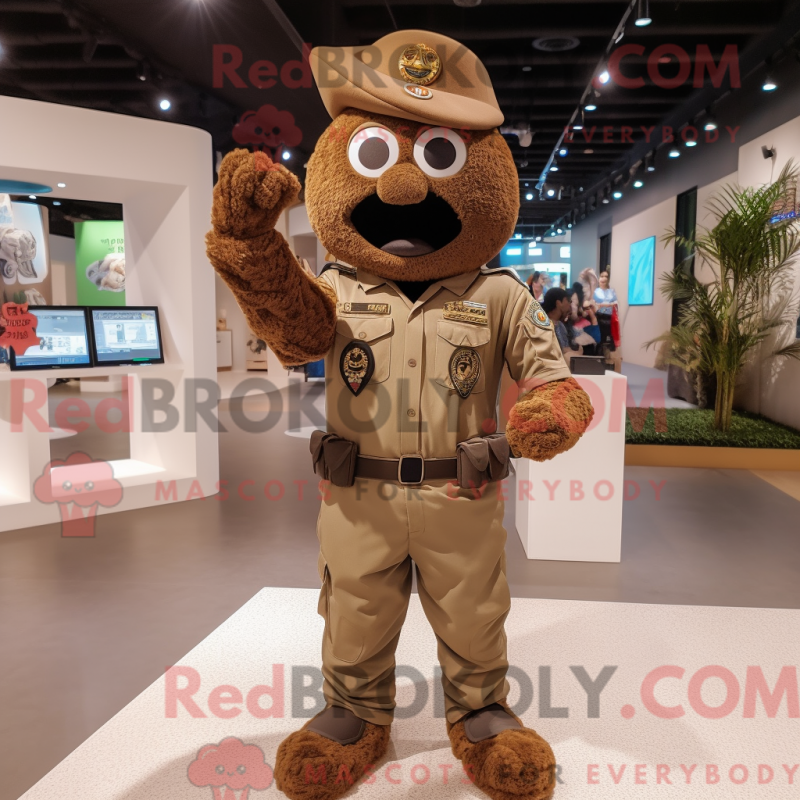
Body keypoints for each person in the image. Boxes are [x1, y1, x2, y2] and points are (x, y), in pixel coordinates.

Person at [207, 29, 594, 800]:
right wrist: (250, 244)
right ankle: (353, 714)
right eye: (378, 154)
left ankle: (482, 712)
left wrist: (549, 411)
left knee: (475, 614)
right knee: (353, 609)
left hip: (462, 497)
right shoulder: (337, 289)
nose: (408, 186)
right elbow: (291, 331)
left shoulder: (500, 295)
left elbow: (554, 380)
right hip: (361, 500)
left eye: (440, 155)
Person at [542, 287, 579, 355]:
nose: (569, 305)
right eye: (568, 301)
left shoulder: (561, 325)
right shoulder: (543, 326)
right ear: (558, 303)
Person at [594, 270, 618, 349]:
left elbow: (615, 303)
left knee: (611, 340)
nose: (604, 278)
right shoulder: (595, 291)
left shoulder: (612, 291)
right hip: (599, 317)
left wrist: (602, 305)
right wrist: (608, 304)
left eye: (606, 276)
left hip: (610, 318)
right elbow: (594, 304)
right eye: (602, 276)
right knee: (601, 339)